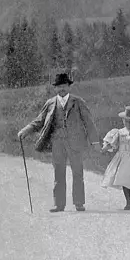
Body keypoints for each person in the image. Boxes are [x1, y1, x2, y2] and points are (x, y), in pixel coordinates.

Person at [17, 71, 99, 212]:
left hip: (75, 143)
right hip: (57, 144)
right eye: (59, 86)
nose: (61, 89)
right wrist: (25, 130)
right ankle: (59, 204)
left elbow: (89, 122)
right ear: (55, 88)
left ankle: (79, 203)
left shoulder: (78, 102)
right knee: (58, 173)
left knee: (78, 173)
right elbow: (39, 121)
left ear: (69, 86)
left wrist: (95, 142)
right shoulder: (50, 103)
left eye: (64, 86)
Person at [101, 105, 130, 210]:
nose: (128, 124)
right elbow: (114, 144)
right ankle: (128, 202)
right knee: (124, 178)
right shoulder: (119, 132)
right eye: (126, 121)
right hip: (123, 157)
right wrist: (106, 147)